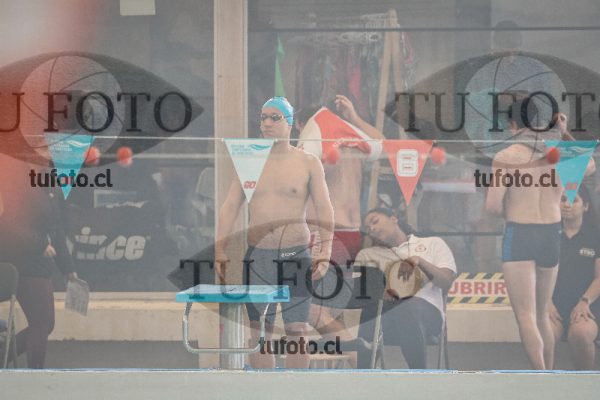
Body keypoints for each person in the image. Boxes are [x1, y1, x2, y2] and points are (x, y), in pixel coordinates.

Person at [215, 97, 334, 369]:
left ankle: (295, 389)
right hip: (259, 256)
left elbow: (324, 208)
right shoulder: (249, 162)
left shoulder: (308, 163)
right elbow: (230, 206)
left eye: (274, 117)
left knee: (298, 329)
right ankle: (263, 390)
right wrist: (219, 249)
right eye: (263, 117)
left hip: (296, 255)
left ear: (289, 123)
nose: (266, 123)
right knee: (258, 332)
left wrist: (325, 250)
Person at [485, 100, 595, 369]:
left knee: (526, 316)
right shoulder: (558, 154)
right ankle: (550, 378)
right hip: (551, 234)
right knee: (543, 314)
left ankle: (541, 375)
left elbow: (492, 207)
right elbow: (590, 163)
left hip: (520, 233)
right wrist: (564, 134)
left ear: (513, 126)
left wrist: (512, 210)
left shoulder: (506, 156)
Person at [295, 94, 384, 367]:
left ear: (300, 125)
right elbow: (380, 143)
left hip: (326, 235)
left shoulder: (314, 143)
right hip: (351, 233)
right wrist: (354, 117)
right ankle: (351, 372)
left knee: (313, 310)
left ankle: (361, 364)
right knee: (334, 311)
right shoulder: (352, 143)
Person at [0, 152, 78, 369]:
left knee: (45, 323)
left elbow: (56, 228)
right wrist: (40, 245)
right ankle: (35, 375)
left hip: (41, 263)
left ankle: (3, 357)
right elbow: (8, 224)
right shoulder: (14, 179)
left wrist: (68, 268)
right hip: (21, 261)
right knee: (42, 322)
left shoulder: (48, 182)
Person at [357, 207, 456, 369]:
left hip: (427, 316)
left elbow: (445, 282)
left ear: (394, 218)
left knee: (405, 304)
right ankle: (363, 377)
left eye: (375, 221)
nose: (372, 229)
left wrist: (418, 261)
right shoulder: (368, 255)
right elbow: (364, 292)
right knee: (368, 312)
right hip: (385, 317)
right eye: (368, 229)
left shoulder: (433, 243)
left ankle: (419, 375)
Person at [550, 185, 600, 370]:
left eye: (573, 200)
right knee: (543, 336)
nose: (567, 205)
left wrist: (584, 302)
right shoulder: (549, 236)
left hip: (587, 306)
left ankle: (582, 383)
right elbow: (536, 275)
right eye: (563, 200)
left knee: (580, 334)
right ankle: (542, 383)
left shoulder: (595, 237)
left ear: (585, 206)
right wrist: (546, 302)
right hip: (553, 307)